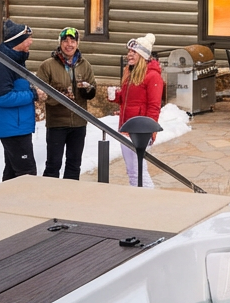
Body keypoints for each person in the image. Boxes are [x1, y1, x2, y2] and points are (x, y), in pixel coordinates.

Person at [35, 27, 97, 180]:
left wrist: (87, 88)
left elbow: (92, 90)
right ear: (60, 43)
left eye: (72, 41)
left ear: (77, 43)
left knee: (74, 164)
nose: (69, 44)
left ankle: (69, 197)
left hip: (79, 123)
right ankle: (49, 197)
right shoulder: (47, 65)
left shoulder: (85, 64)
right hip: (57, 123)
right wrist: (59, 96)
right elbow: (39, 92)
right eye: (65, 41)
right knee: (53, 165)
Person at [0, 19, 45, 181]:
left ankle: (4, 205)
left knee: (12, 173)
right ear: (17, 41)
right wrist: (33, 95)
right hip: (13, 128)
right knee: (26, 173)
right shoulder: (3, 65)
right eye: (27, 38)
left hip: (18, 126)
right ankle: (22, 206)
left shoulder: (15, 61)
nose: (31, 41)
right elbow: (3, 97)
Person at [108, 34, 164, 187]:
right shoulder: (130, 72)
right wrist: (115, 96)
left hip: (140, 131)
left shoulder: (153, 77)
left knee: (139, 170)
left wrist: (150, 131)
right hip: (126, 127)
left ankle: (149, 200)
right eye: (129, 51)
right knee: (132, 171)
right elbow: (128, 99)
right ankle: (138, 201)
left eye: (134, 52)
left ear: (143, 55)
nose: (129, 55)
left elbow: (154, 107)